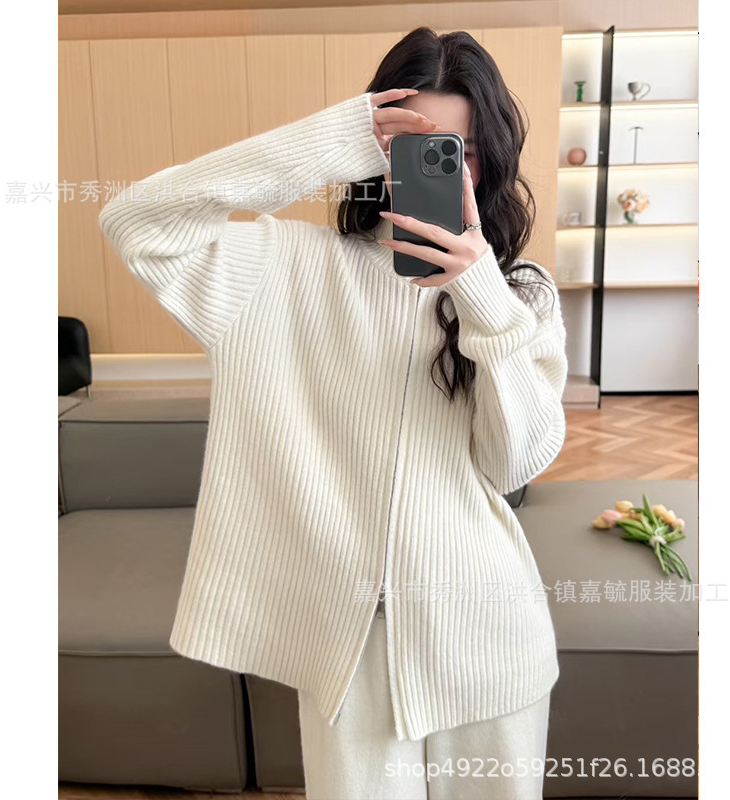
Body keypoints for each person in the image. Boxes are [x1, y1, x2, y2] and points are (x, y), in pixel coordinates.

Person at [99, 25, 568, 800]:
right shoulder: (282, 267)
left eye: (461, 150)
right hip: (348, 654)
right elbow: (136, 222)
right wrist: (328, 140)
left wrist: (481, 294)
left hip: (491, 638)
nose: (441, 169)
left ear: (491, 157)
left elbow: (516, 461)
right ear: (375, 151)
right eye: (415, 147)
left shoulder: (520, 295)